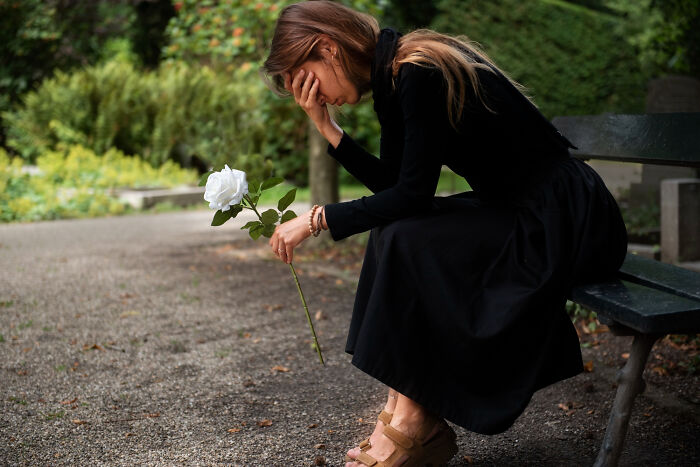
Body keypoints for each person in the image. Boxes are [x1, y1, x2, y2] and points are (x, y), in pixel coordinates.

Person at [262, 1, 628, 466]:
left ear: (328, 48)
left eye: (306, 77)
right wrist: (327, 128)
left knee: (406, 236)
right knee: (396, 232)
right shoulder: (395, 79)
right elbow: (396, 189)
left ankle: (416, 423)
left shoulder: (420, 71)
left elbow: (412, 195)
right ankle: (406, 412)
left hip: (565, 217)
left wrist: (318, 219)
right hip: (518, 208)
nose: (309, 93)